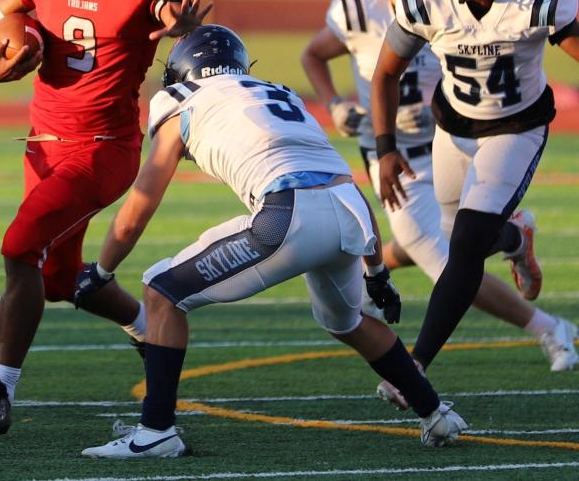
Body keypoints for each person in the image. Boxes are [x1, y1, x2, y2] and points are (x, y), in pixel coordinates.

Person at [80, 25, 467, 458]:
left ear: (185, 72)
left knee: (161, 291)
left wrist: (101, 270)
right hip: (348, 214)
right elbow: (345, 184)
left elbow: (139, 208)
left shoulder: (182, 100)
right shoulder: (282, 96)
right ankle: (436, 413)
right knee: (349, 322)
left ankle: (155, 433)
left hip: (289, 215)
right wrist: (376, 271)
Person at [0, 0, 211, 434]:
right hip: (42, 142)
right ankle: (151, 333)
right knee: (56, 281)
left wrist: (180, 26)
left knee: (19, 246)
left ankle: (0, 389)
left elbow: (170, 9)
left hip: (102, 146)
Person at [300, 0, 577, 383]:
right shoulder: (397, 1)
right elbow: (374, 71)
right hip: (426, 138)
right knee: (444, 242)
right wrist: (364, 130)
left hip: (500, 128)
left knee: (454, 250)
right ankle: (511, 239)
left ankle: (544, 329)